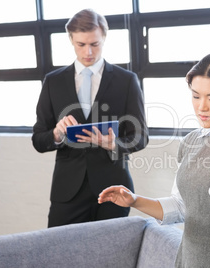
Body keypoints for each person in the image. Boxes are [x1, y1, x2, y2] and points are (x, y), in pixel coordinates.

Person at [98, 52, 210, 267]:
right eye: (195, 96)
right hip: (189, 260)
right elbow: (182, 207)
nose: (201, 107)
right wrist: (134, 200)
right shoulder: (190, 142)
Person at [32, 9, 148, 227]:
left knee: (111, 257)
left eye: (94, 44)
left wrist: (115, 144)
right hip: (67, 191)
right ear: (71, 40)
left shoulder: (127, 81)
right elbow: (38, 139)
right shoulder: (53, 82)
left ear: (104, 37)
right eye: (80, 44)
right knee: (60, 255)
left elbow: (140, 136)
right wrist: (56, 134)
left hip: (114, 189)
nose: (88, 51)